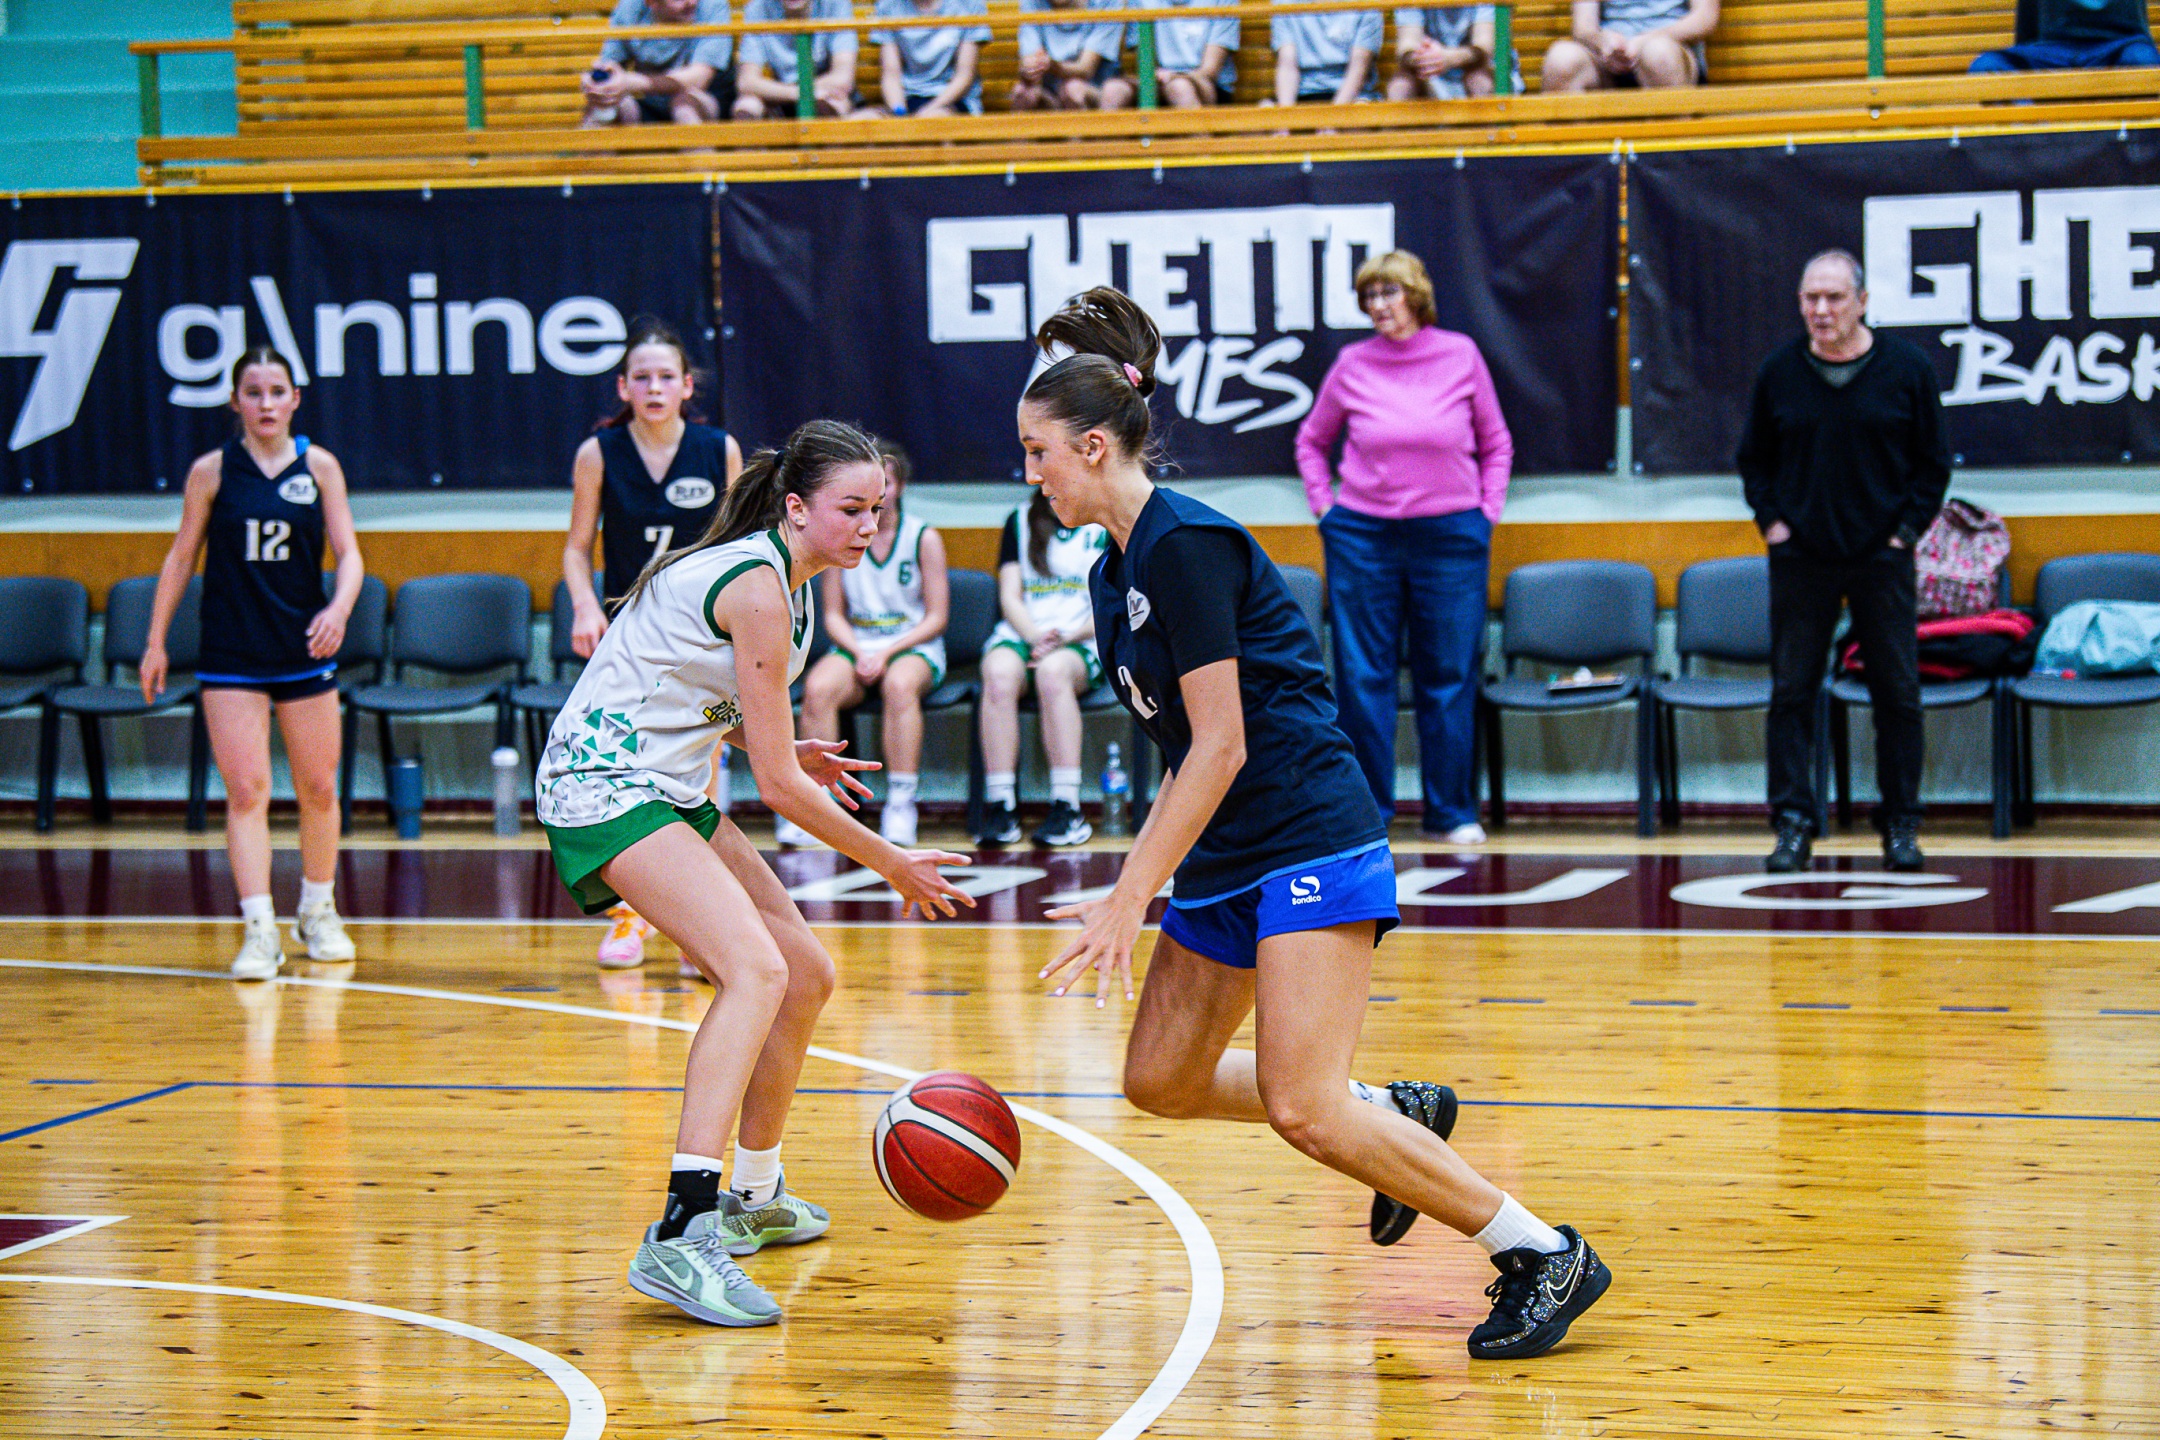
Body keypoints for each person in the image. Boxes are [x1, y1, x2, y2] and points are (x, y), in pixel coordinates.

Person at [1025, 287, 1609, 1361]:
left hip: (1306, 829)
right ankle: (1391, 1107)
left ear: (1093, 444)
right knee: (1160, 1080)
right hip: (1228, 848)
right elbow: (1186, 756)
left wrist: (1126, 897)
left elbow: (1223, 745)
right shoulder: (1114, 571)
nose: (1032, 473)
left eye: (1038, 452)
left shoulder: (1185, 545)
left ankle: (1540, 1250)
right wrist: (1148, 875)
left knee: (1303, 1107)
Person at [536, 418, 973, 1328]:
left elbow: (684, 686)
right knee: (755, 971)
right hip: (603, 783)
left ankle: (753, 1195)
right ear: (797, 506)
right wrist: (892, 862)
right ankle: (680, 1233)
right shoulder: (760, 586)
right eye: (851, 509)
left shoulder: (793, 585)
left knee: (804, 973)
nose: (869, 526)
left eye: (878, 509)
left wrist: (772, 742)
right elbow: (775, 789)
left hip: (662, 780)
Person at [140, 345, 366, 982]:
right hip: (231, 651)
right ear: (235, 401)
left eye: (276, 391)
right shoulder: (211, 472)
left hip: (302, 648)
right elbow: (181, 558)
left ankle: (317, 911)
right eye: (253, 392)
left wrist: (339, 608)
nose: (266, 403)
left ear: (295, 399)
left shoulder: (319, 466)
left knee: (319, 789)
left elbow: (350, 553)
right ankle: (260, 929)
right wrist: (156, 640)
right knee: (245, 792)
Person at [1737, 249, 1950, 875]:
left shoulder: (1907, 369)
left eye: (1833, 297)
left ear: (1862, 301)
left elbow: (1934, 463)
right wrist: (1773, 525)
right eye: (1811, 298)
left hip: (1882, 557)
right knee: (1791, 692)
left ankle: (1901, 825)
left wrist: (1905, 534)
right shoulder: (1779, 371)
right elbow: (1754, 460)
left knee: (1897, 694)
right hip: (1802, 559)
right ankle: (1793, 824)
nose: (1821, 309)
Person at [1296, 250, 1511, 845]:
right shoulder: (1352, 363)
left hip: (1452, 537)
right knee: (1364, 676)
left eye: (1388, 292)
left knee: (1450, 672)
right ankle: (1369, 817)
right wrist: (1325, 509)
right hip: (1363, 537)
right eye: (1369, 296)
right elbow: (1312, 441)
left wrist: (1486, 512)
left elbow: (1497, 442)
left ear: (1417, 296)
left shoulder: (1460, 354)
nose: (1378, 305)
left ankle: (1452, 813)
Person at [564, 318, 742, 971]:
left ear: (687, 386)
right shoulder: (598, 453)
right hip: (629, 639)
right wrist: (586, 605)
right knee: (624, 774)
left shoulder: (718, 448)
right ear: (624, 387)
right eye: (642, 377)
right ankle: (629, 916)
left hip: (700, 635)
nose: (655, 387)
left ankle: (701, 930)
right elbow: (577, 549)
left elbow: (737, 543)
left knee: (698, 773)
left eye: (667, 376)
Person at [790, 440, 950, 848]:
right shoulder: (838, 535)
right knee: (818, 688)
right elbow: (832, 616)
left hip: (911, 645)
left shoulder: (922, 537)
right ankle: (817, 805)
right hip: (858, 643)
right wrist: (862, 653)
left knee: (899, 685)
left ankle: (900, 802)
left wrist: (886, 653)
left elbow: (936, 617)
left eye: (886, 486)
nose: (878, 497)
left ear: (900, 486)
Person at [975, 488, 1106, 848]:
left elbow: (1112, 601)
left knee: (1052, 673)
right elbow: (1009, 596)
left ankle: (1067, 806)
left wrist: (1065, 637)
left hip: (1082, 637)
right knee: (998, 674)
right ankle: (1001, 805)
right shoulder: (1019, 520)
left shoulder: (1102, 520)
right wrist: (1035, 637)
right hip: (1026, 633)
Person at [582, 0, 736, 126]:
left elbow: (698, 78)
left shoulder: (713, 4)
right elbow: (610, 64)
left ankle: (703, 157)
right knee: (603, 106)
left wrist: (633, 82)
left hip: (706, 99)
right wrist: (599, 81)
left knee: (684, 108)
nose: (692, 2)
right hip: (650, 102)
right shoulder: (630, 7)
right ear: (651, 2)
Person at [1540, 0, 1716, 90]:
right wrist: (1603, 42)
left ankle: (1666, 149)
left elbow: (1704, 18)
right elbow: (1583, 27)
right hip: (1608, 59)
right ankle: (1582, 150)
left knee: (1658, 54)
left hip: (1672, 55)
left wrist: (1644, 41)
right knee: (1561, 59)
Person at [734, 0, 860, 118]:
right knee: (747, 105)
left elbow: (843, 78)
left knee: (837, 102)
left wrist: (805, 93)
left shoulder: (836, 3)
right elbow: (746, 82)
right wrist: (799, 93)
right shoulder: (758, 8)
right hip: (781, 93)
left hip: (823, 89)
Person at [1101, 0, 1238, 107]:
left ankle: (1202, 136)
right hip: (1158, 80)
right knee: (1114, 90)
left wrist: (1173, 76)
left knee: (1179, 88)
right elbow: (1146, 65)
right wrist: (1158, 76)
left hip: (1205, 84)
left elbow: (1209, 71)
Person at [867, 0, 992, 114]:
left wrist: (926, 113)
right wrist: (900, 113)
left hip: (955, 101)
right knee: (865, 118)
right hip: (907, 100)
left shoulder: (969, 5)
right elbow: (891, 75)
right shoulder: (888, 6)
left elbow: (964, 76)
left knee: (935, 120)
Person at [1971, 0, 2158, 71]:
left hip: (2116, 47)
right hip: (2051, 51)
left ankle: (2128, 135)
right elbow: (2029, 26)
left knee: (2143, 60)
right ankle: (2032, 127)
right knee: (1987, 66)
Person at [1009, 0, 1122, 111]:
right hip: (1049, 94)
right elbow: (1029, 60)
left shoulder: (1107, 2)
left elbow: (1086, 69)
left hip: (1095, 89)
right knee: (1022, 92)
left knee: (1074, 89)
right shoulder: (1031, 3)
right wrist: (1030, 69)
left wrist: (1051, 65)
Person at [1263, 5, 1383, 105]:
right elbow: (1287, 65)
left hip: (1353, 95)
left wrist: (1333, 117)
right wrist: (1286, 116)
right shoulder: (1285, 3)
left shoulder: (1366, 3)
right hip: (1302, 92)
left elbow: (1358, 69)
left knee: (1359, 112)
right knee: (1265, 110)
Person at [1388, 4, 1517, 97]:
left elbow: (1484, 49)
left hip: (1483, 71)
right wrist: (1422, 58)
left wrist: (1448, 58)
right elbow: (1406, 47)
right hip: (1429, 76)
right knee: (1400, 86)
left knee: (1479, 81)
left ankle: (1494, 128)